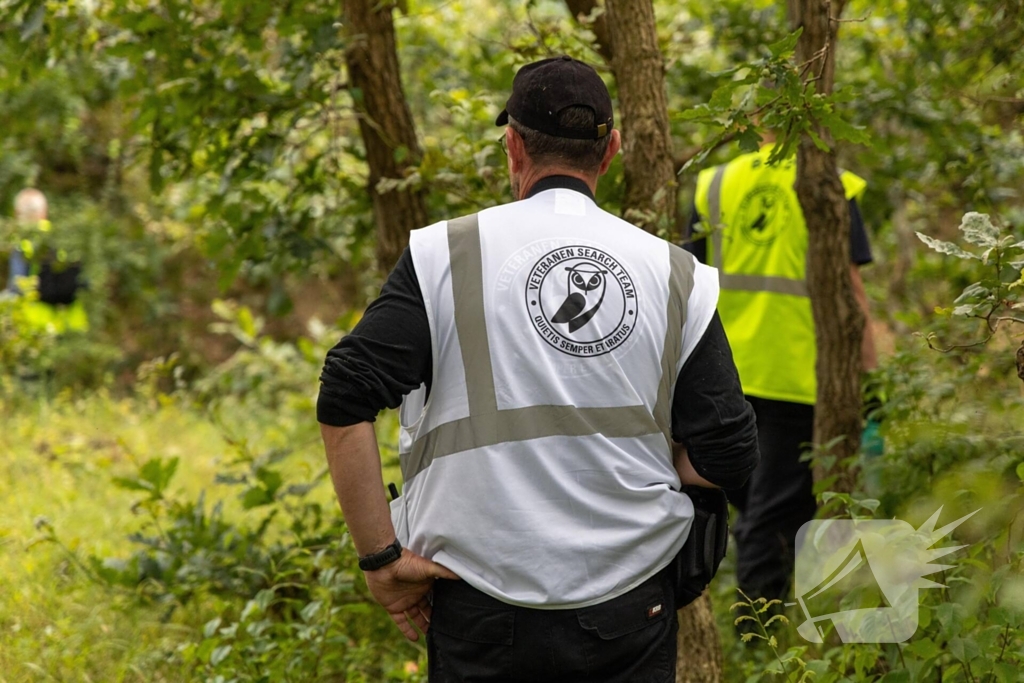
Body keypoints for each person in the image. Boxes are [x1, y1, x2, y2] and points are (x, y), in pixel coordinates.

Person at [318, 56, 759, 682]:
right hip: (631, 604)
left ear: (513, 146)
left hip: (479, 604)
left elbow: (343, 398)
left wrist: (381, 558)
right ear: (610, 153)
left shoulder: (445, 254)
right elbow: (732, 451)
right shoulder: (673, 273)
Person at [683, 136, 878, 604]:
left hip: (723, 374)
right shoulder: (827, 184)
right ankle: (760, 644)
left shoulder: (714, 184)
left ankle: (761, 630)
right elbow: (851, 288)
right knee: (772, 519)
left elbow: (690, 278)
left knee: (754, 510)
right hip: (796, 374)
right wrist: (869, 372)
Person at [6, 188, 88, 333]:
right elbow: (86, 281)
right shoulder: (64, 238)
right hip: (72, 326)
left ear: (18, 214)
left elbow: (16, 287)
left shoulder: (23, 244)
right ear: (44, 212)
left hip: (36, 328)